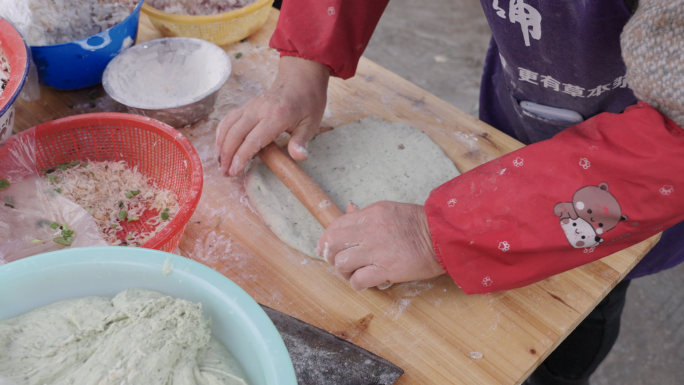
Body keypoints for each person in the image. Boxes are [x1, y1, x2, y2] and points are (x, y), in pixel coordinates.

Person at [215, 0, 684, 383]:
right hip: (528, 100)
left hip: (635, 183)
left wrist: (442, 232)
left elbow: (673, 143)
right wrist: (305, 63)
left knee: (579, 309)